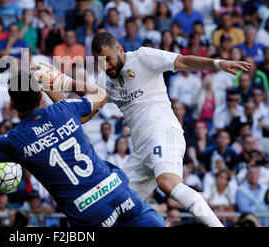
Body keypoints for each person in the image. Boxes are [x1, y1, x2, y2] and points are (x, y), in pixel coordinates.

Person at [0, 72, 166, 227]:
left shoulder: (12, 140)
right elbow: (100, 95)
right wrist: (62, 81)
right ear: (40, 95)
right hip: (117, 190)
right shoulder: (64, 109)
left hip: (87, 213)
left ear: (13, 105)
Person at [89, 32, 251, 227]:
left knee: (167, 182)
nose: (106, 66)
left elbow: (183, 62)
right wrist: (51, 90)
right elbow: (83, 114)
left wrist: (216, 63)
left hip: (163, 132)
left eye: (108, 59)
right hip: (141, 152)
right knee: (113, 209)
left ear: (120, 50)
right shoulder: (104, 81)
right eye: (100, 62)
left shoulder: (142, 57)